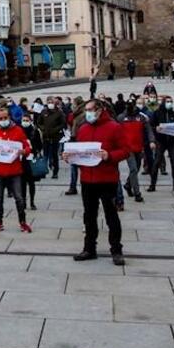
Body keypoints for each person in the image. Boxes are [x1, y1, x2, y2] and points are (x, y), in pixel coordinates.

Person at [66, 99, 129, 265]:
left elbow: (125, 150)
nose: (87, 113)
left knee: (111, 215)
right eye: (86, 110)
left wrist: (110, 156)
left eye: (90, 110)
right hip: (87, 178)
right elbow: (80, 152)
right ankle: (89, 248)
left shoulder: (114, 127)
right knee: (89, 215)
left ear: (100, 110)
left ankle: (116, 250)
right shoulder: (83, 129)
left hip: (107, 178)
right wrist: (70, 157)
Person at [0, 105, 32, 233]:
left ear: (9, 117)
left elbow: (27, 147)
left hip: (14, 171)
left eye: (5, 117)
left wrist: (24, 151)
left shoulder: (18, 130)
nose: (3, 120)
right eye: (1, 118)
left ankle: (23, 222)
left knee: (19, 198)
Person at [18, 112, 44, 209]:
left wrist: (33, 149)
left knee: (31, 182)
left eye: (27, 121)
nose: (25, 122)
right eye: (23, 120)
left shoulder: (35, 131)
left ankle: (32, 202)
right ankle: (23, 201)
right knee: (22, 182)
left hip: (31, 159)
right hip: (22, 159)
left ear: (30, 121)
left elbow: (40, 145)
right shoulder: (18, 130)